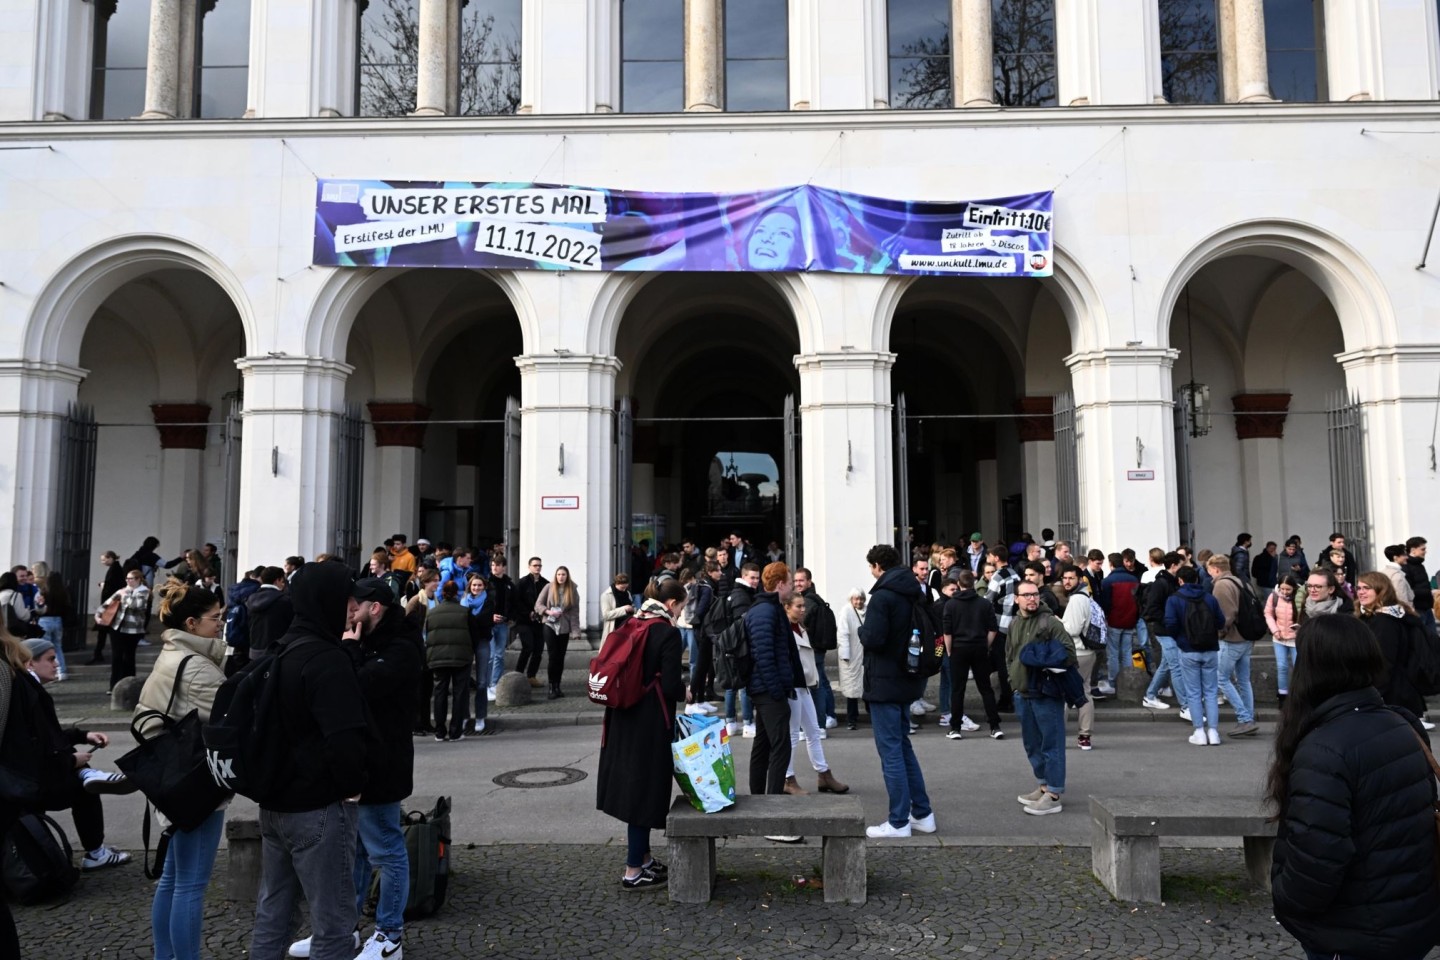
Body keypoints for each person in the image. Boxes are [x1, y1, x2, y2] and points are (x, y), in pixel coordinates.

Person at [1267, 614, 1440, 960]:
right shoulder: (1401, 722)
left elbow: (1317, 859)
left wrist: (1286, 899)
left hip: (1355, 932)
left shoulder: (1325, 747)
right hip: (1407, 919)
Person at [249, 561, 369, 960]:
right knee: (333, 922)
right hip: (318, 806)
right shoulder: (326, 659)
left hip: (275, 804)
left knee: (274, 912)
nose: (354, 607)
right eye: (347, 598)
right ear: (327, 602)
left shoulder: (283, 650)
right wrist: (352, 787)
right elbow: (345, 738)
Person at [308, 576, 422, 960]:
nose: (348, 612)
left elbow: (357, 685)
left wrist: (349, 650)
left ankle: (390, 936)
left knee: (386, 849)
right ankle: (346, 930)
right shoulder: (369, 641)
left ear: (375, 607)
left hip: (383, 762)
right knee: (354, 850)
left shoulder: (401, 646)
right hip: (357, 760)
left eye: (354, 606)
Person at [136, 580, 230, 960]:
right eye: (215, 618)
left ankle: (165, 956)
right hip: (197, 786)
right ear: (192, 623)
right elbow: (231, 721)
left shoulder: (173, 653)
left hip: (170, 782)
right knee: (191, 884)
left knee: (173, 879)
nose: (221, 624)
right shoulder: (199, 669)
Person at [594, 579, 686, 890]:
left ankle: (644, 858)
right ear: (672, 604)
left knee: (634, 786)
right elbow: (673, 686)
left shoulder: (633, 621)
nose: (681, 613)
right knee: (643, 791)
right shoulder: (667, 632)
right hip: (650, 720)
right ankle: (633, 870)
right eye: (682, 607)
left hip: (622, 716)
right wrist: (685, 691)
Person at [859, 544, 935, 838]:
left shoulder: (882, 597)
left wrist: (860, 630)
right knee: (903, 748)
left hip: (885, 683)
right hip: (908, 679)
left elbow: (874, 639)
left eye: (871, 567)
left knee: (891, 752)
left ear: (877, 566)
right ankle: (922, 813)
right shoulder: (915, 591)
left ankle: (899, 821)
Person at [1006, 577, 1075, 816]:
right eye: (1026, 595)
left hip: (1046, 693)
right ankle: (1043, 785)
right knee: (1032, 743)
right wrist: (1013, 680)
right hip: (1023, 693)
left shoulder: (1050, 623)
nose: (1032, 598)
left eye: (1035, 594)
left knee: (1051, 744)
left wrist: (1041, 658)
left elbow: (1068, 654)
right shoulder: (1015, 623)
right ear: (1017, 599)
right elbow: (1010, 655)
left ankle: (1053, 794)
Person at [780, 591, 847, 798]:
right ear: (787, 607)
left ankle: (823, 774)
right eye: (798, 606)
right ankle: (787, 778)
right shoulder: (784, 629)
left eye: (803, 606)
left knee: (814, 731)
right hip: (793, 686)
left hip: (805, 684)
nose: (803, 609)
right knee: (792, 734)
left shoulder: (800, 627)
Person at [745, 562, 803, 798]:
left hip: (767, 688)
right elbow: (764, 656)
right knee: (780, 747)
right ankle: (772, 806)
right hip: (768, 690)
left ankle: (759, 801)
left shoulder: (771, 608)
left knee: (764, 743)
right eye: (790, 582)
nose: (793, 586)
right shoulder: (765, 611)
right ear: (780, 584)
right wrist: (777, 691)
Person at [1164, 565, 1225, 746]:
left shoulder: (1174, 599)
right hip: (1211, 649)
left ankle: (1199, 731)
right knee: (1211, 692)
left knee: (1193, 693)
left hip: (1188, 649)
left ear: (1180, 580)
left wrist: (1180, 639)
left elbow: (1170, 623)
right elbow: (1220, 622)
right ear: (1197, 579)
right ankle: (1213, 732)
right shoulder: (1210, 598)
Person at [1354, 572, 1429, 718]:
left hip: (1393, 697)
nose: (1361, 592)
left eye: (1367, 588)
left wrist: (1373, 695)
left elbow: (1384, 662)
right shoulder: (1377, 616)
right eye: (1359, 588)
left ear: (1381, 590)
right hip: (1394, 694)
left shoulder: (1385, 621)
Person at [942, 568, 1002, 741]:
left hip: (958, 649)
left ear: (959, 584)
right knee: (985, 688)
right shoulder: (984, 604)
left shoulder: (950, 604)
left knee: (957, 690)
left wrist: (949, 650)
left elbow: (947, 632)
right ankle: (994, 726)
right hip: (979, 648)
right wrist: (986, 645)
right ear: (974, 584)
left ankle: (955, 728)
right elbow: (992, 629)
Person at [1207, 555, 1258, 738]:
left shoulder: (1221, 585)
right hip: (1247, 637)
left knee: (1222, 678)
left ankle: (1245, 719)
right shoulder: (1240, 581)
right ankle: (1249, 718)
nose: (1209, 574)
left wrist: (1218, 634)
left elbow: (1226, 616)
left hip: (1232, 639)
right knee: (1244, 680)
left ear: (1216, 569)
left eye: (1209, 570)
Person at [1054, 565, 1096, 749]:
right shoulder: (1087, 597)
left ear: (1079, 579)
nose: (1067, 581)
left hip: (1075, 652)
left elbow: (1072, 629)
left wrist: (1057, 621)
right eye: (1065, 578)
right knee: (1084, 692)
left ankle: (1059, 735)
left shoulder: (1077, 599)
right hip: (1087, 651)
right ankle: (1084, 736)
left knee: (1063, 693)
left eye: (1071, 578)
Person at [425, 580, 472, 741]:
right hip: (461, 656)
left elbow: (428, 634)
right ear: (457, 593)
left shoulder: (432, 613)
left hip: (437, 657)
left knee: (440, 693)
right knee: (459, 694)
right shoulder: (465, 612)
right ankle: (455, 731)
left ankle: (439, 731)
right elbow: (473, 635)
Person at [1140, 552, 1186, 713]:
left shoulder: (1169, 582)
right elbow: (1152, 609)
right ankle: (1186, 705)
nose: (1184, 568)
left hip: (1168, 630)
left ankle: (1150, 696)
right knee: (1176, 667)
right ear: (1173, 566)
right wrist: (1170, 620)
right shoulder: (1162, 583)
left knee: (1166, 665)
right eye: (1182, 565)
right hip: (1164, 630)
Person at [794, 567, 837, 730]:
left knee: (815, 687)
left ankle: (820, 724)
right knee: (822, 682)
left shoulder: (808, 602)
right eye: (796, 580)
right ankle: (829, 715)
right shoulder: (814, 598)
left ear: (809, 582)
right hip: (818, 648)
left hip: (811, 649)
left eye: (801, 580)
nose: (798, 583)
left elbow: (800, 624)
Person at [534, 566, 579, 699]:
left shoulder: (572, 589)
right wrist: (548, 612)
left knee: (560, 657)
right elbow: (538, 605)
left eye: (563, 574)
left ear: (567, 576)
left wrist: (575, 631)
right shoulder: (549, 587)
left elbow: (574, 612)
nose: (561, 577)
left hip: (564, 626)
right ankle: (551, 687)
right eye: (559, 574)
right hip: (550, 624)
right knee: (553, 656)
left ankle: (558, 686)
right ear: (556, 575)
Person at [461, 572, 495, 733]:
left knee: (481, 682)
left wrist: (470, 620)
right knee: (464, 680)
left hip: (482, 641)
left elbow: (483, 619)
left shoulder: (489, 601)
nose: (476, 588)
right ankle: (464, 715)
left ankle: (480, 716)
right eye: (474, 585)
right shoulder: (464, 600)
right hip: (466, 642)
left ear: (484, 587)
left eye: (479, 585)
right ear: (470, 586)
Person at [108, 567, 151, 693]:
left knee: (129, 657)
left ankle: (129, 686)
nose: (128, 581)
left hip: (133, 629)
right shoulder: (123, 590)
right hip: (118, 626)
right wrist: (99, 614)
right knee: (116, 657)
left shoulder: (143, 591)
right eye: (127, 578)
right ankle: (114, 686)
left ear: (138, 579)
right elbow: (110, 601)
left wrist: (124, 596)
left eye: (131, 579)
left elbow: (137, 605)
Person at [1264, 575, 1302, 706]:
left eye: (1288, 589)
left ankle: (1299, 694)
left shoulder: (1300, 596)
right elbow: (1268, 613)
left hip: (1295, 638)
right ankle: (1283, 696)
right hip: (1279, 637)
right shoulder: (1274, 596)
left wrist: (1300, 628)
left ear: (1294, 588)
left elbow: (1305, 613)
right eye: (1282, 589)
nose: (1285, 592)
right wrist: (1275, 630)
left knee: (1299, 667)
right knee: (1282, 667)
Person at [513, 558, 548, 686]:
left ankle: (531, 676)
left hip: (539, 621)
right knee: (528, 647)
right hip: (524, 621)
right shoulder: (522, 582)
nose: (537, 567)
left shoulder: (545, 583)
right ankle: (518, 675)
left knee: (538, 649)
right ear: (529, 567)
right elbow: (516, 601)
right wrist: (528, 612)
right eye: (535, 565)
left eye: (539, 565)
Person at [835, 588, 866, 730]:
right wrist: (845, 654)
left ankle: (871, 714)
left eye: (860, 599)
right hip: (851, 656)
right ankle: (851, 719)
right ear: (851, 600)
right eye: (855, 599)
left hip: (864, 655)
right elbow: (842, 633)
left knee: (867, 686)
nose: (858, 602)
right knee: (852, 689)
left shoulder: (868, 610)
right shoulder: (846, 611)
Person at [485, 555, 514, 699]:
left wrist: (510, 618)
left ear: (504, 567)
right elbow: (482, 603)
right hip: (489, 623)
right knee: (490, 655)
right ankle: (487, 685)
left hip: (502, 623)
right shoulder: (486, 582)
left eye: (497, 565)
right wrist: (490, 616)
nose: (494, 568)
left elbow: (513, 602)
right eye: (492, 565)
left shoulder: (508, 583)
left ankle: (495, 684)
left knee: (499, 655)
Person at [93, 549, 127, 664]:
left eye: (104, 559)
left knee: (104, 631)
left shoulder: (114, 570)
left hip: (111, 606)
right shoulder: (116, 569)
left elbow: (111, 587)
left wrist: (104, 585)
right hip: (112, 605)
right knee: (104, 631)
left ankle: (99, 654)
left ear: (110, 558)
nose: (102, 562)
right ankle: (98, 653)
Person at [37, 570, 71, 681]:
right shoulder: (63, 592)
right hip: (58, 620)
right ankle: (62, 671)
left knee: (45, 647)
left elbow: (39, 606)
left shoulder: (44, 591)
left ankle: (49, 671)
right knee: (57, 646)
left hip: (45, 620)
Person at [600, 572, 635, 648]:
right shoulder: (606, 595)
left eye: (626, 587)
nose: (624, 590)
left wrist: (633, 609)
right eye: (622, 588)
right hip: (614, 628)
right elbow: (606, 615)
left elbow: (632, 607)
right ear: (616, 584)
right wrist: (624, 609)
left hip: (628, 627)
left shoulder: (627, 593)